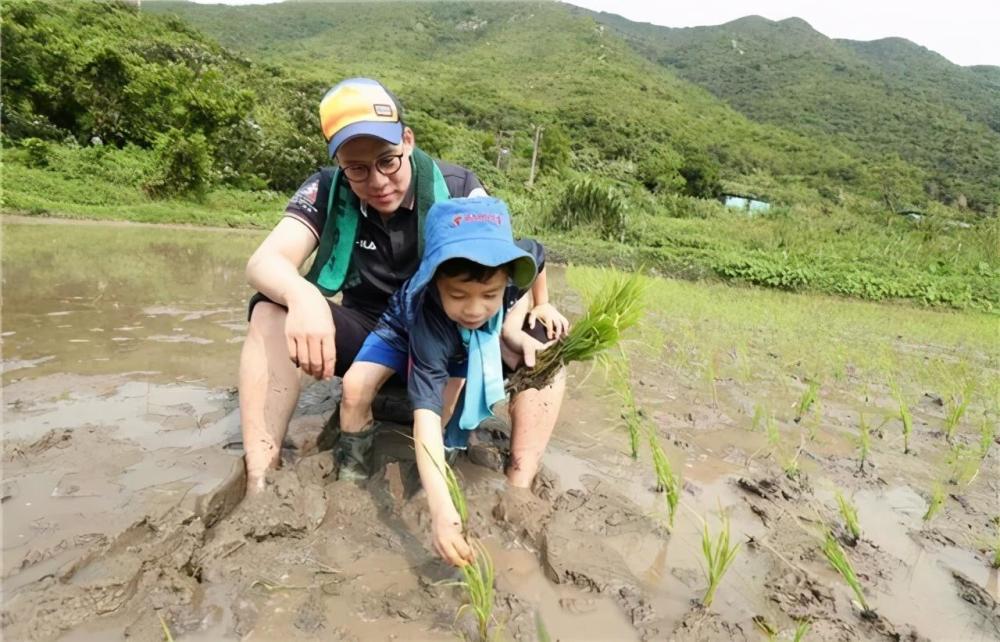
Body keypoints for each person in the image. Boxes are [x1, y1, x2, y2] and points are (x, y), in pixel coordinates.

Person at [239, 77, 491, 495]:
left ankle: (520, 481)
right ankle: (260, 475)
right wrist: (304, 296)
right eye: (357, 168)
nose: (376, 181)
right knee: (269, 307)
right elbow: (264, 262)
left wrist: (534, 309)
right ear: (339, 162)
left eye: (387, 160)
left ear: (407, 140)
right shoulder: (326, 187)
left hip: (442, 339)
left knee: (542, 335)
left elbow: (495, 269)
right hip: (367, 339)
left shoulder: (460, 189)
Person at [349, 196, 568, 566]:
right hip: (400, 329)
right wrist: (443, 513)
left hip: (462, 339)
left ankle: (447, 466)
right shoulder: (429, 322)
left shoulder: (509, 269)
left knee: (452, 399)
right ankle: (351, 466)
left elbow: (538, 253)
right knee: (357, 389)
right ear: (435, 282)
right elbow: (426, 418)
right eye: (458, 294)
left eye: (490, 295)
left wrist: (542, 303)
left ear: (507, 279)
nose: (475, 308)